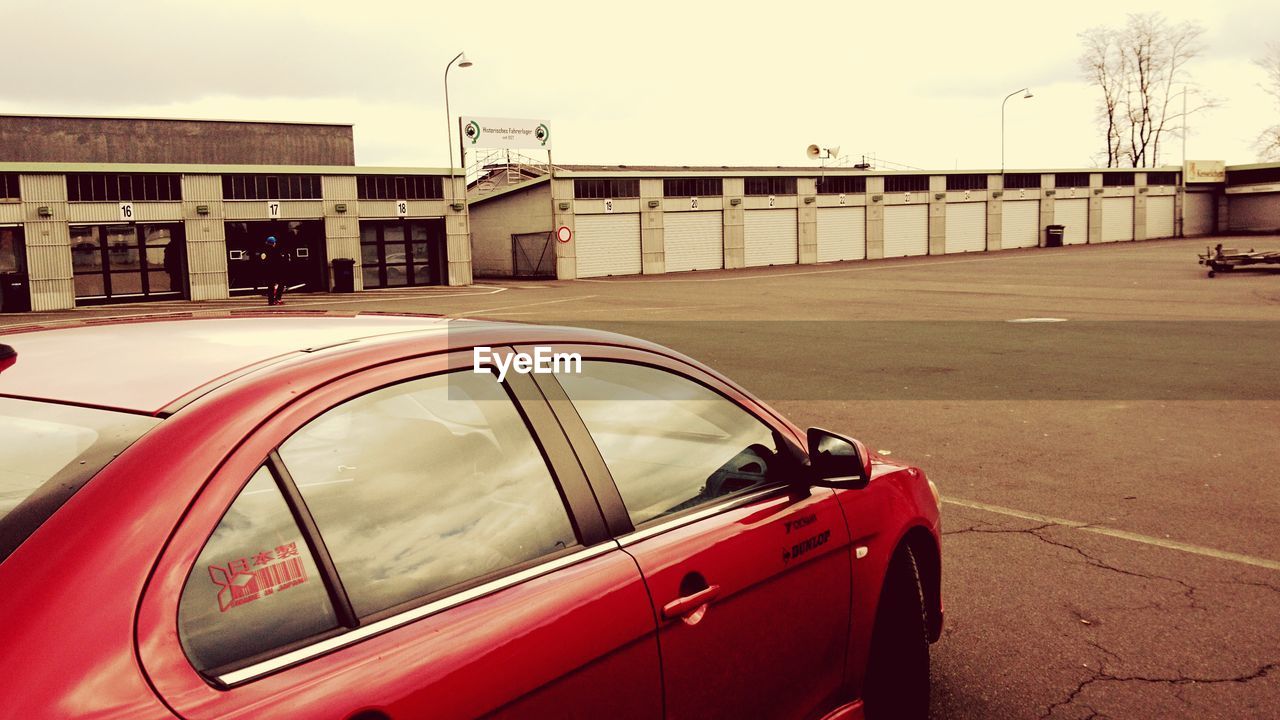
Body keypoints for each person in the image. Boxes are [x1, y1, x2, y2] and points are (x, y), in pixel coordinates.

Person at [257, 235, 291, 305]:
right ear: (273, 243)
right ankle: (278, 298)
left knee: (270, 286)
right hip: (275, 271)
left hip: (266, 271)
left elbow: (260, 261)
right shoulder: (274, 250)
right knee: (281, 283)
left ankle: (271, 301)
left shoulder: (262, 251)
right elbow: (280, 261)